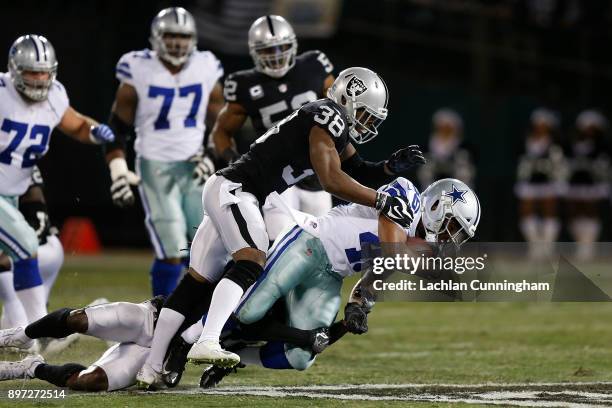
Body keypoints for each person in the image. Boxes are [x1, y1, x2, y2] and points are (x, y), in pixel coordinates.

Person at [135, 66, 426, 388]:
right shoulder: (326, 114)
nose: (368, 125)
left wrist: (386, 168)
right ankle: (208, 338)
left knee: (195, 283)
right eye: (367, 116)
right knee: (251, 260)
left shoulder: (332, 123)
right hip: (239, 190)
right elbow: (331, 180)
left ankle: (151, 365)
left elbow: (356, 169)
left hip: (236, 190)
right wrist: (381, 201)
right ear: (349, 98)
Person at [188, 177, 479, 386]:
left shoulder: (412, 243)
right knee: (248, 311)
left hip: (330, 275)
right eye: (453, 226)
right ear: (437, 206)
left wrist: (358, 306)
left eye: (459, 235)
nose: (450, 238)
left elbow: (378, 272)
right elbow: (391, 253)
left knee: (301, 357)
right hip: (308, 244)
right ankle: (185, 338)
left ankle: (235, 356)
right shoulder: (406, 195)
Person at [105, 7, 225, 297]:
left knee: (206, 243)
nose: (176, 43)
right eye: (170, 36)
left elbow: (223, 125)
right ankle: (161, 316)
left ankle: (200, 318)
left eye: (182, 37)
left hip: (195, 164)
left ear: (193, 39)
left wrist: (211, 155)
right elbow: (116, 127)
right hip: (154, 164)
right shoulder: (138, 67)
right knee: (171, 245)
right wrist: (118, 170)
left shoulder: (206, 65)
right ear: (156, 38)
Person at [0, 34, 115, 330]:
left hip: (12, 194)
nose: (39, 79)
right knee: (25, 246)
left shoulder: (55, 96)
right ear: (14, 70)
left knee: (21, 255)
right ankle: (38, 328)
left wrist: (94, 132)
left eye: (44, 72)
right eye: (31, 72)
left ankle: (23, 327)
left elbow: (76, 124)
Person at [211, 15, 336, 241]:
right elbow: (221, 132)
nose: (277, 56)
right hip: (275, 176)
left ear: (293, 45)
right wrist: (234, 162)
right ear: (254, 52)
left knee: (324, 246)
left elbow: (340, 110)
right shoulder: (244, 84)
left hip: (316, 172)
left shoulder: (314, 66)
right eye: (268, 50)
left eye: (282, 47)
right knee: (280, 243)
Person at [515, 108, 566, 259]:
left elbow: (560, 164)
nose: (541, 127)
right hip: (529, 182)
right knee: (526, 211)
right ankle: (535, 247)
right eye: (538, 124)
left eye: (544, 124)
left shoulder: (556, 142)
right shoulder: (525, 140)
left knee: (549, 210)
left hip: (549, 183)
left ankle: (548, 247)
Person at [565, 110, 610, 260]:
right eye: (586, 128)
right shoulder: (571, 145)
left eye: (592, 128)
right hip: (574, 184)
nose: (588, 131)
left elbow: (603, 167)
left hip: (593, 185)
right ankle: (581, 245)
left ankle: (588, 247)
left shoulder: (603, 147)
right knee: (574, 213)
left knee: (590, 212)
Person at [417, 108, 475, 189]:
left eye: (448, 128)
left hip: (455, 168)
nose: (444, 130)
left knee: (464, 171)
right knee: (425, 170)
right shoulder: (431, 142)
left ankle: (463, 193)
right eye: (442, 127)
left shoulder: (461, 144)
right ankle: (428, 194)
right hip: (436, 168)